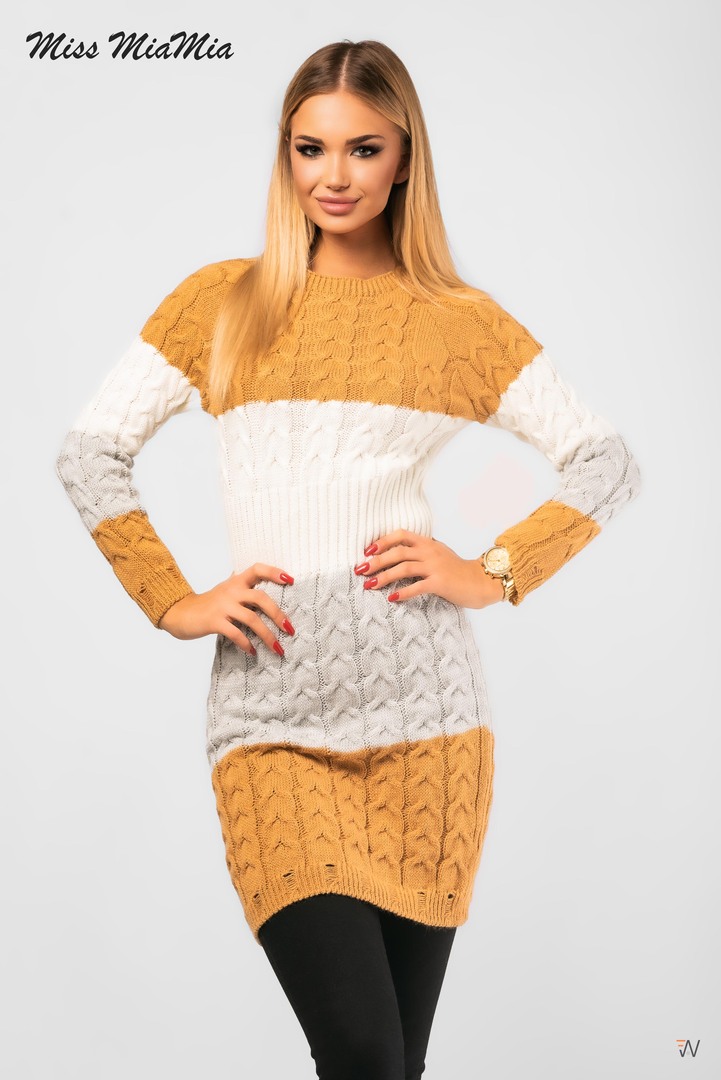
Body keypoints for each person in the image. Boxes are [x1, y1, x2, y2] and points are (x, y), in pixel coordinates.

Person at [56, 38, 642, 1080]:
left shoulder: (454, 323)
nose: (333, 175)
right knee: (362, 1048)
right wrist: (173, 600)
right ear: (284, 155)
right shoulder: (222, 303)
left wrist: (493, 571)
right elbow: (90, 451)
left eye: (363, 149)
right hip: (269, 719)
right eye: (309, 148)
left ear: (404, 157)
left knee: (389, 1064)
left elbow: (605, 460)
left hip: (429, 724)